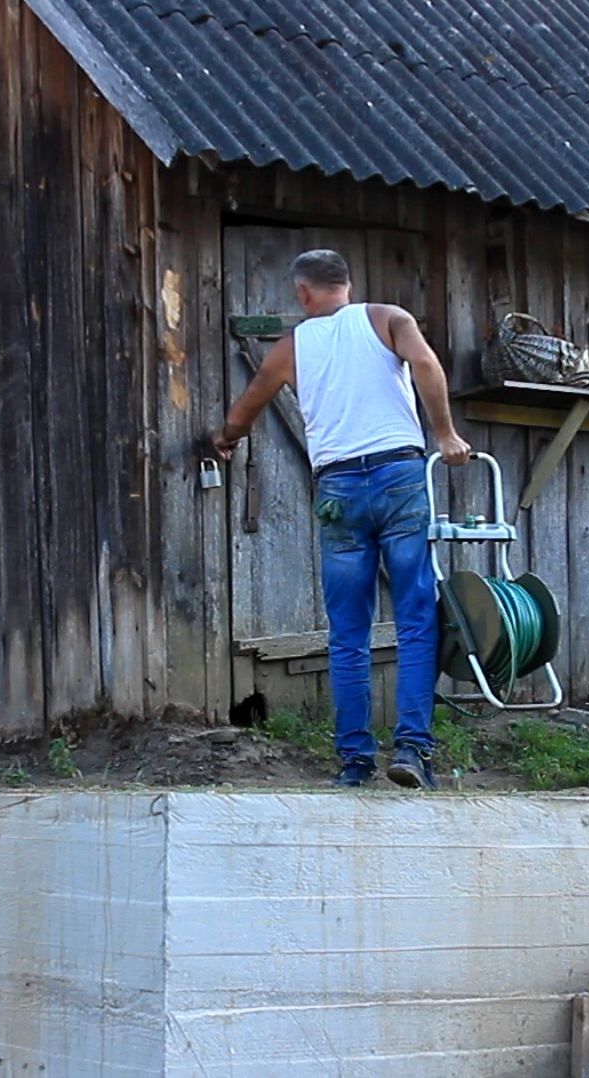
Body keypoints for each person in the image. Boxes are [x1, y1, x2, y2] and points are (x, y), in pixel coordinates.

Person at [212, 249, 472, 789]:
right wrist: (444, 433)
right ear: (348, 285)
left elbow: (246, 408)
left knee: (348, 631)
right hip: (400, 479)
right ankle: (412, 750)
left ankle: (354, 761)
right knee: (417, 621)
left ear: (303, 293)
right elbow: (424, 363)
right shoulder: (387, 319)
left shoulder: (289, 349)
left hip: (340, 491)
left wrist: (225, 440)